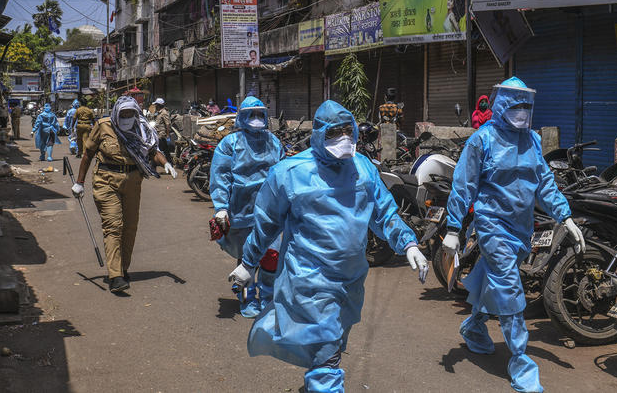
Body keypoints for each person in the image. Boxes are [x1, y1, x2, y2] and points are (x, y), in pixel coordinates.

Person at [229, 100, 428, 392]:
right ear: (320, 133)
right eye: (336, 132)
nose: (344, 138)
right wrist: (248, 263)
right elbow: (267, 223)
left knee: (332, 341)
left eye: (349, 131)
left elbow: (384, 213)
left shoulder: (362, 168)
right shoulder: (291, 172)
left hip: (350, 279)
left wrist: (408, 243)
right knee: (327, 352)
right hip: (310, 279)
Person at [443, 77, 585, 393]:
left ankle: (475, 326)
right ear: (503, 104)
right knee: (508, 285)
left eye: (526, 104)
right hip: (492, 225)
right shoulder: (482, 140)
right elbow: (463, 185)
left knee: (497, 281)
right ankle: (521, 362)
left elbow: (545, 183)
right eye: (516, 104)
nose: (522, 110)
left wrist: (565, 216)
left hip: (522, 229)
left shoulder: (532, 140)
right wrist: (453, 228)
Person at [71, 96, 178, 293]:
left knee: (129, 227)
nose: (128, 116)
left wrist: (166, 163)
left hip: (132, 181)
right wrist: (79, 182)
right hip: (106, 180)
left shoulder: (141, 127)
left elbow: (152, 150)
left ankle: (123, 268)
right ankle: (115, 276)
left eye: (131, 113)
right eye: (124, 113)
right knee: (113, 226)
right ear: (117, 112)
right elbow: (88, 154)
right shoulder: (104, 126)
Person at [210, 96, 284, 318]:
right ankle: (247, 297)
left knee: (272, 254)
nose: (256, 119)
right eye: (251, 114)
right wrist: (221, 207)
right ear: (242, 116)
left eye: (260, 114)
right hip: (241, 210)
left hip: (270, 211)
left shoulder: (274, 142)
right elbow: (220, 176)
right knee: (246, 257)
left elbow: (283, 174)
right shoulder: (230, 144)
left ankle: (268, 297)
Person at [151, 98, 172, 162]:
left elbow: (168, 124)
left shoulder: (164, 113)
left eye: (156, 105)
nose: (155, 106)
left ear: (159, 105)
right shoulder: (159, 112)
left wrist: (167, 135)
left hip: (161, 134)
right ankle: (168, 162)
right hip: (158, 133)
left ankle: (164, 162)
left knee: (159, 149)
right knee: (165, 150)